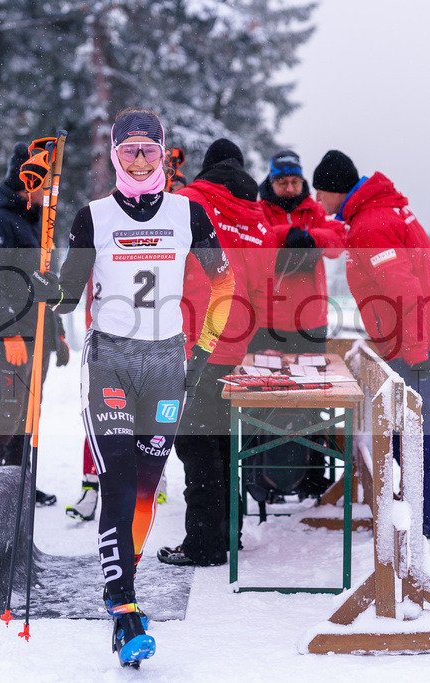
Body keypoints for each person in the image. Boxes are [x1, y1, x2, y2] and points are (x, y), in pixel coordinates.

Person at [30, 108, 234, 666]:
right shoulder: (92, 216)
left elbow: (225, 282)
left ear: (164, 154)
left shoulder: (188, 212)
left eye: (148, 149)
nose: (139, 159)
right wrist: (50, 290)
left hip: (168, 359)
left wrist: (204, 350)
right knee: (118, 474)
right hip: (112, 358)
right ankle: (123, 605)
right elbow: (70, 294)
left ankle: (125, 577)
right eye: (128, 151)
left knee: (147, 479)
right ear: (115, 157)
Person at [313, 150, 430, 538]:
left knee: (415, 429)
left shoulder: (371, 224)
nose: (317, 202)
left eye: (319, 193)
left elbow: (405, 292)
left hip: (419, 340)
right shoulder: (372, 213)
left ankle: (422, 523)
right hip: (420, 334)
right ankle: (413, 509)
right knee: (408, 428)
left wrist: (414, 352)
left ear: (333, 189)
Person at [157, 138, 277, 568]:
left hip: (195, 341)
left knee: (195, 447)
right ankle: (229, 535)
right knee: (225, 446)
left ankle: (204, 545)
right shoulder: (259, 219)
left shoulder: (187, 203)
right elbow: (263, 290)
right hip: (235, 344)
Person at [0, 142, 70, 506]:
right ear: (26, 181)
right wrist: (7, 333)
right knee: (8, 408)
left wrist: (56, 332)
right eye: (45, 185)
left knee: (29, 410)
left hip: (39, 334)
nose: (50, 192)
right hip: (12, 337)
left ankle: (17, 485)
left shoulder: (38, 223)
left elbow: (47, 283)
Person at [255, 149, 345, 354]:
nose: (290, 188)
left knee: (313, 382)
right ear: (271, 182)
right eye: (282, 183)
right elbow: (255, 243)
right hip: (266, 320)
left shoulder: (318, 210)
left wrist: (311, 237)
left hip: (311, 319)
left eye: (295, 182)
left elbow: (338, 244)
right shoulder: (257, 211)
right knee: (262, 382)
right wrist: (285, 233)